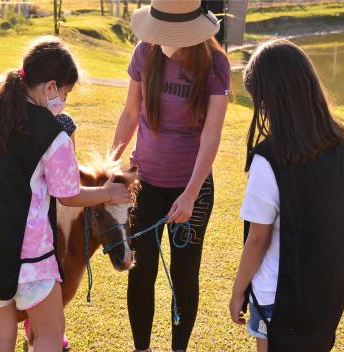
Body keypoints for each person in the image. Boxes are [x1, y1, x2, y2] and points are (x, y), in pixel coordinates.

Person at [0, 37, 131, 352]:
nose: (63, 101)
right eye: (65, 93)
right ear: (50, 87)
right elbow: (68, 195)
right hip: (31, 256)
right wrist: (107, 192)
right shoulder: (53, 134)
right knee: (50, 334)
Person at [111, 1, 231, 350]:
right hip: (145, 184)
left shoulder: (215, 64)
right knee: (140, 271)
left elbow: (211, 135)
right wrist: (111, 167)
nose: (162, 39)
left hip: (191, 188)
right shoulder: (145, 52)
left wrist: (191, 194)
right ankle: (142, 347)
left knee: (184, 274)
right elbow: (130, 112)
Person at [229, 39, 344, 352]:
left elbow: (257, 239)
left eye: (260, 100)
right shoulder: (340, 142)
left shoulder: (269, 157)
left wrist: (237, 292)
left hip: (279, 297)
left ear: (271, 98)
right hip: (327, 291)